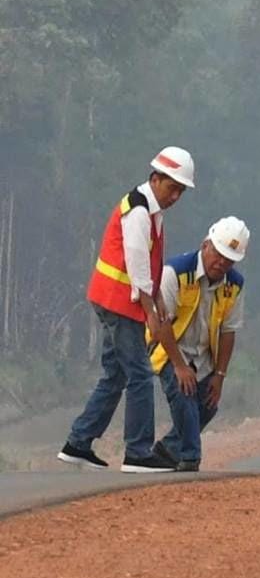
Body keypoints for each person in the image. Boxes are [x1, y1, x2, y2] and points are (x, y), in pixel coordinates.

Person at [58, 147, 195, 473]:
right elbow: (136, 266)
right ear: (155, 178)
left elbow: (150, 265)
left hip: (114, 299)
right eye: (171, 186)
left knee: (116, 374)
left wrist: (157, 302)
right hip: (120, 302)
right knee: (140, 375)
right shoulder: (138, 211)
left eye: (180, 190)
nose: (175, 195)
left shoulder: (151, 210)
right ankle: (138, 452)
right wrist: (151, 309)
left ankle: (78, 443)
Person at [149, 217, 249, 472]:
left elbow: (228, 331)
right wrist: (180, 366)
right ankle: (190, 458)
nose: (222, 263)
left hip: (204, 358)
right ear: (205, 245)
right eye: (218, 254)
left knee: (207, 405)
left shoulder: (234, 285)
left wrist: (220, 375)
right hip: (169, 349)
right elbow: (162, 325)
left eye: (229, 259)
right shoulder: (175, 272)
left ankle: (166, 451)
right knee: (185, 394)